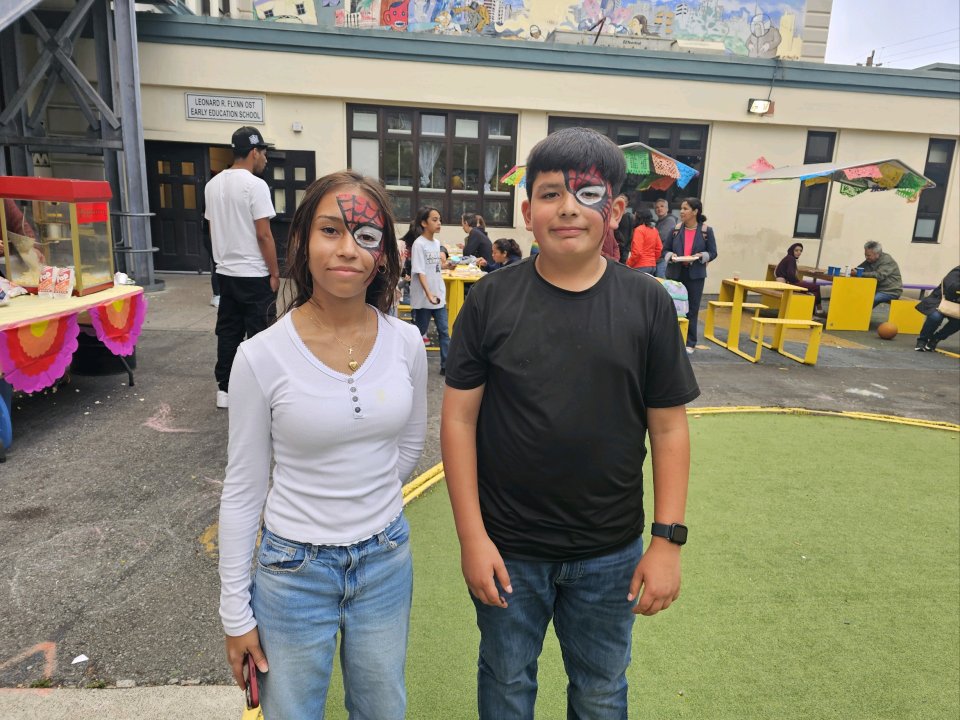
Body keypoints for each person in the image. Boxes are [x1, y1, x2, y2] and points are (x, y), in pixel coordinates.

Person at [441, 127, 699, 720]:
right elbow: (458, 421)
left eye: (586, 195)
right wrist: (472, 538)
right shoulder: (489, 300)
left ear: (612, 210)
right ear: (528, 211)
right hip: (508, 547)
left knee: (602, 688)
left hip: (609, 549)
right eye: (552, 194)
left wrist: (667, 541)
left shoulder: (647, 302)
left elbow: (668, 429)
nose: (567, 209)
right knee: (506, 682)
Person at [218, 170, 427, 719]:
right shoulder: (260, 357)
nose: (347, 250)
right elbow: (243, 491)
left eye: (366, 236)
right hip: (292, 573)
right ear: (302, 240)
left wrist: (366, 501)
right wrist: (235, 615)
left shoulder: (406, 343)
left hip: (385, 560)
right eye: (331, 230)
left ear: (383, 254)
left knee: (383, 708)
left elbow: (407, 449)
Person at [204, 126, 281, 409]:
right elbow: (264, 234)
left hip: (225, 272)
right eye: (264, 153)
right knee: (259, 333)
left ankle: (225, 389)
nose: (266, 160)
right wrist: (274, 272)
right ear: (253, 152)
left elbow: (212, 229)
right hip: (254, 273)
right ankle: (260, 390)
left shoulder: (212, 185)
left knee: (228, 331)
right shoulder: (255, 186)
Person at [664, 197, 718, 354]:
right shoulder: (675, 229)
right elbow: (665, 249)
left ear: (695, 211)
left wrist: (701, 255)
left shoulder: (706, 231)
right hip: (676, 273)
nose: (681, 211)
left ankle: (690, 342)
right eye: (681, 208)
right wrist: (671, 256)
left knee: (692, 309)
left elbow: (713, 252)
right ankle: (671, 340)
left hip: (696, 274)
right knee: (672, 308)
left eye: (685, 209)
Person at [403, 206, 450, 375]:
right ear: (424, 223)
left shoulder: (437, 243)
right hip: (424, 298)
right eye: (434, 220)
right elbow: (420, 271)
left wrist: (446, 265)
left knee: (444, 331)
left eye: (439, 220)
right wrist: (428, 294)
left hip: (438, 296)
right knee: (418, 333)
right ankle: (407, 364)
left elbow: (434, 267)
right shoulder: (418, 244)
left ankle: (446, 365)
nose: (439, 223)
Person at [915, 265, 960, 352]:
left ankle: (936, 339)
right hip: (939, 301)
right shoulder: (957, 271)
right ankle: (922, 340)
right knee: (935, 317)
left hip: (956, 305)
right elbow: (951, 286)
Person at [774, 242, 824, 316]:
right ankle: (818, 308)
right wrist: (798, 282)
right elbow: (790, 275)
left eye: (800, 251)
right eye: (796, 250)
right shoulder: (791, 259)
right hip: (788, 284)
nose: (799, 253)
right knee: (816, 287)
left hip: (785, 283)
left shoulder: (788, 258)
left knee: (813, 293)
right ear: (792, 250)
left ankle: (812, 313)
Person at [855, 240, 902, 307]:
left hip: (891, 291)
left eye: (868, 255)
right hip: (877, 290)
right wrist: (853, 271)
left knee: (871, 300)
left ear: (877, 254)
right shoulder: (870, 260)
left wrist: (859, 273)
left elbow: (879, 275)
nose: (866, 257)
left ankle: (861, 315)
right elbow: (859, 269)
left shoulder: (887, 260)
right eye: (865, 255)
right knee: (857, 295)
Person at [626, 209, 662, 274]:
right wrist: (652, 260)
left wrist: (628, 264)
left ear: (639, 217)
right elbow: (659, 248)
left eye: (635, 216)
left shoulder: (639, 230)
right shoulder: (654, 230)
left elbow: (637, 252)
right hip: (652, 266)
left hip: (640, 266)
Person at [653, 198, 676, 278]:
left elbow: (661, 236)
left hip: (663, 258)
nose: (659, 209)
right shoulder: (658, 222)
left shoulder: (670, 220)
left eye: (662, 206)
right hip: (658, 257)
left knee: (662, 283)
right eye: (657, 207)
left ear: (667, 209)